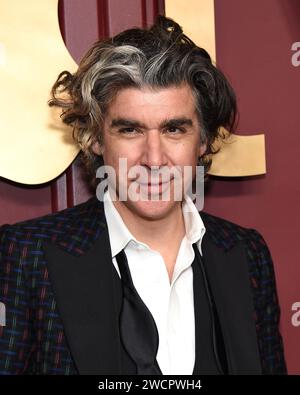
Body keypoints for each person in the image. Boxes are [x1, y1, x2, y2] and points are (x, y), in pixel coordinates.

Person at [0, 15, 286, 375]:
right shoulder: (26, 254)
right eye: (130, 129)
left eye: (174, 129)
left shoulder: (247, 255)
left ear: (204, 140)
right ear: (95, 138)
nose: (153, 158)